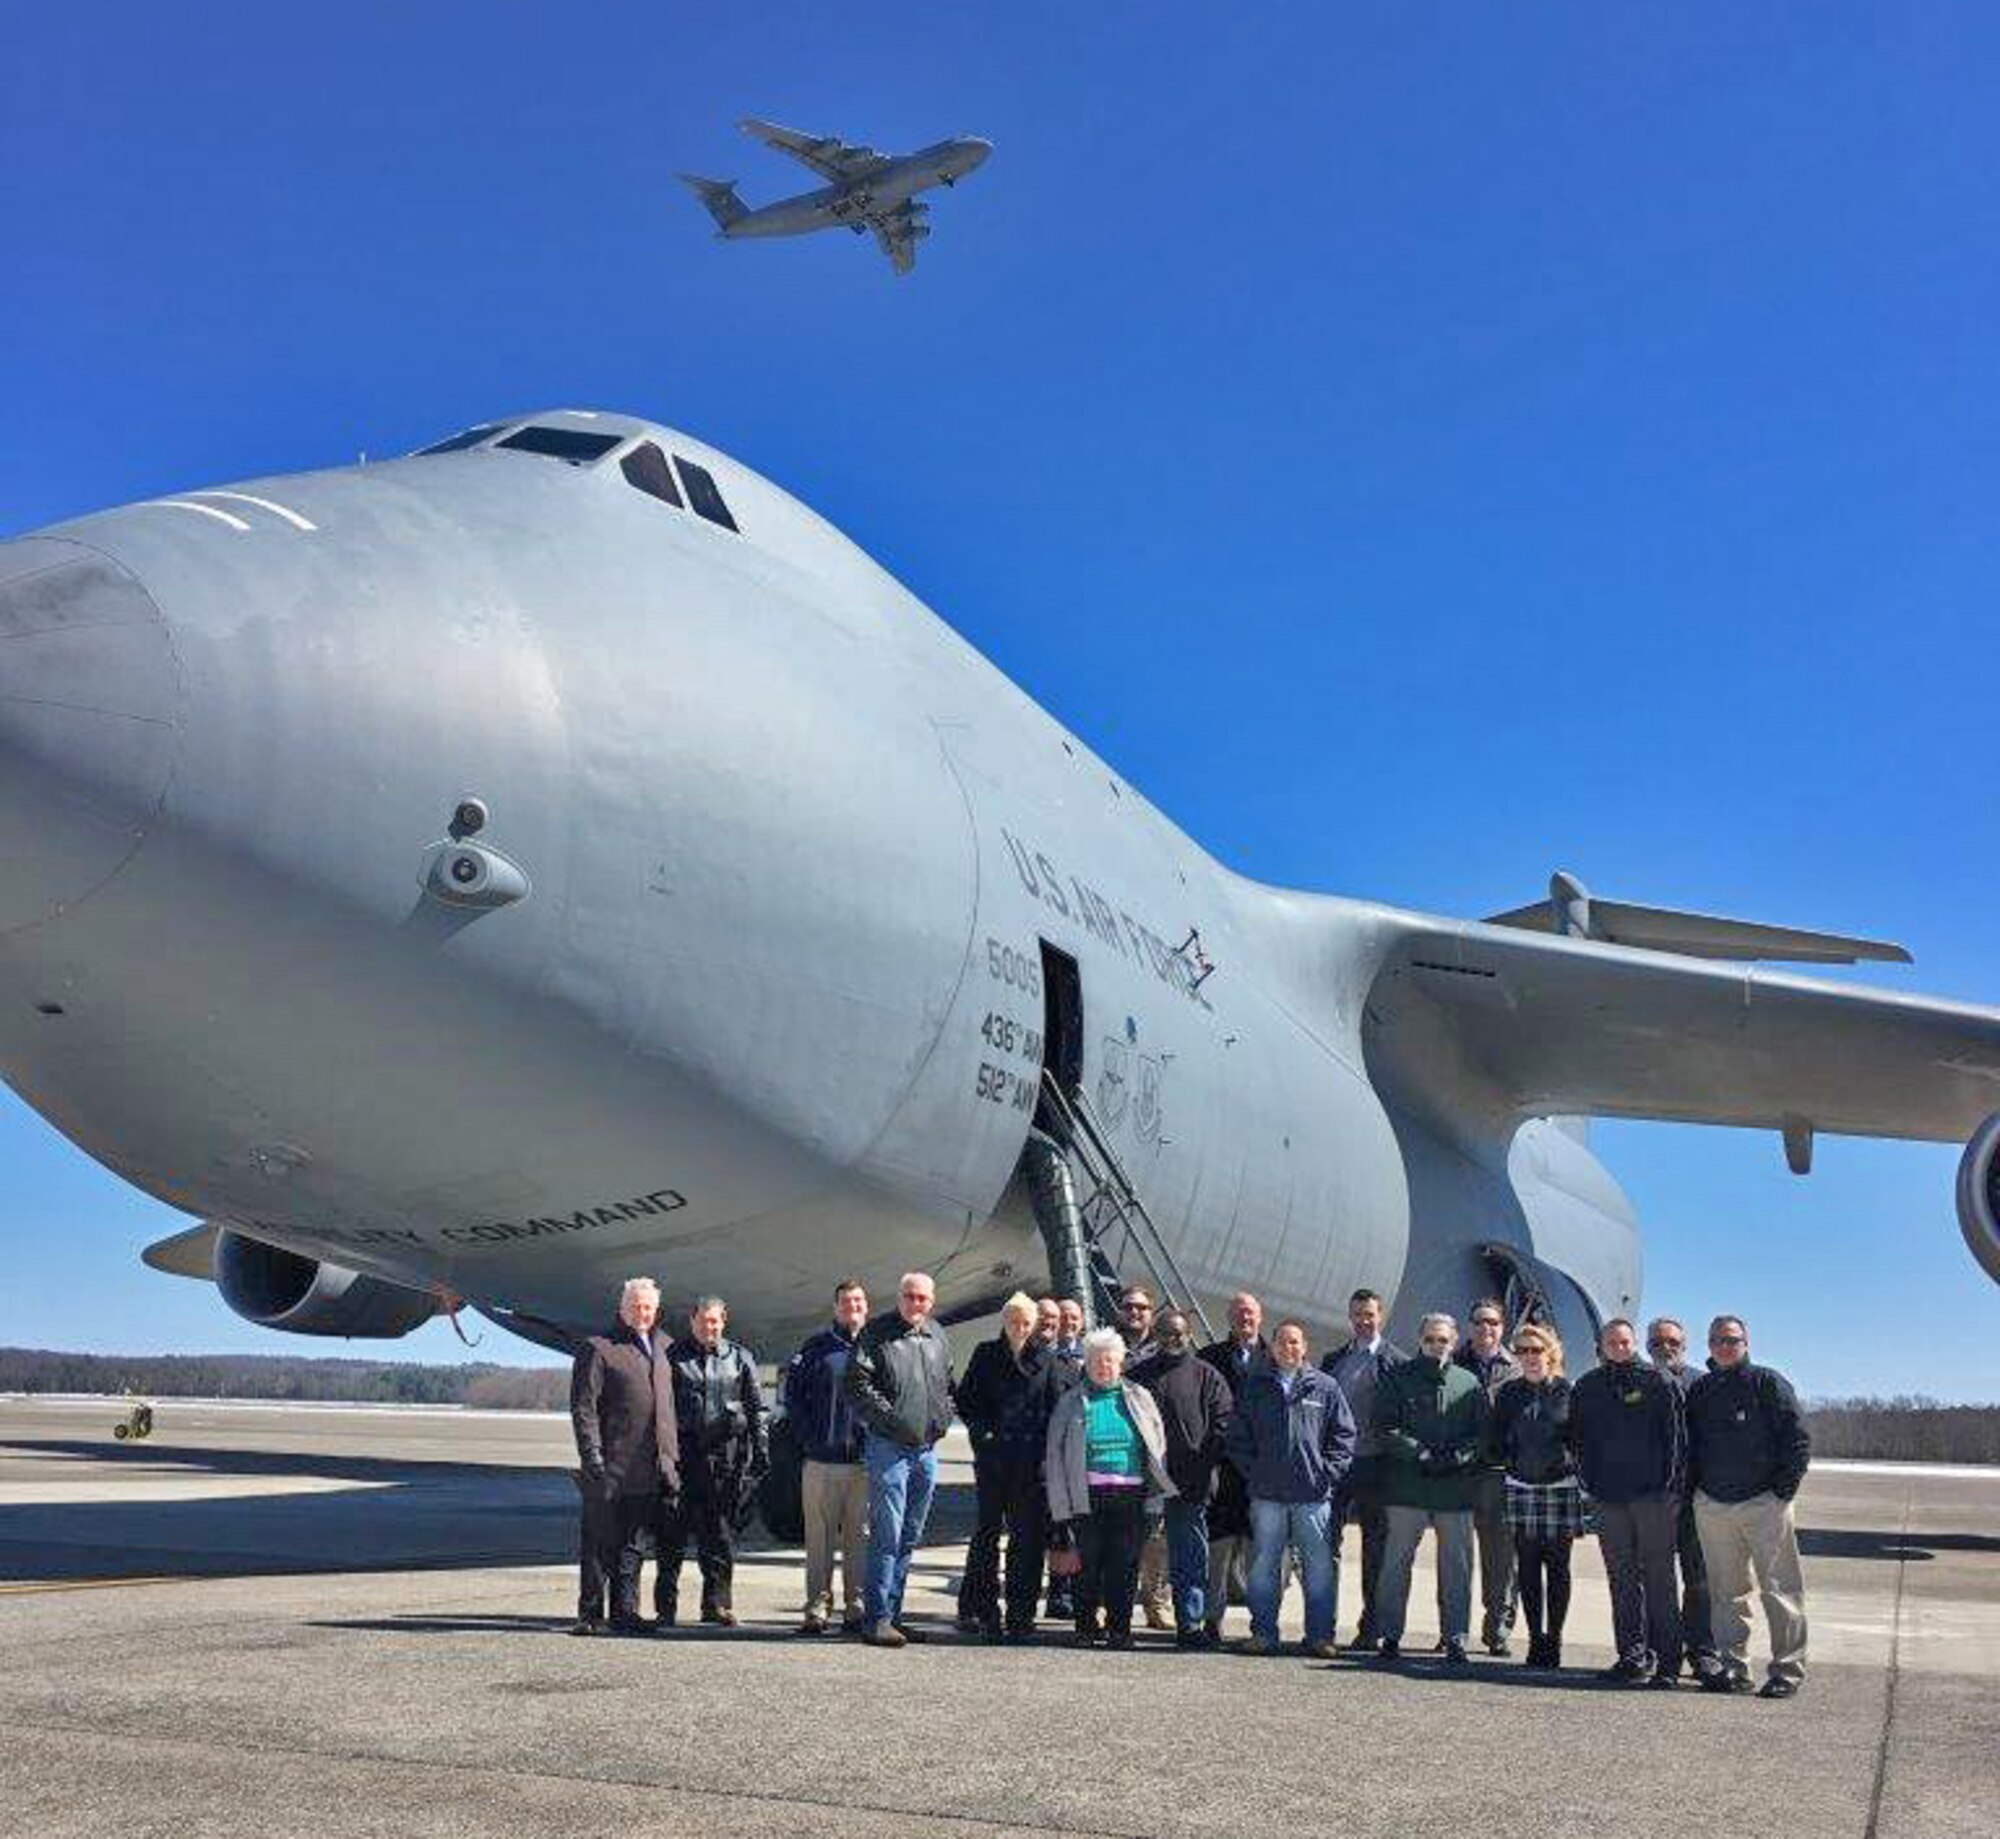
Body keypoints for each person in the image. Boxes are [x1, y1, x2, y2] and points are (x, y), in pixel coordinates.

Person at [1686, 1315, 1812, 1699]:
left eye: (1731, 1339)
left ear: (1746, 1342)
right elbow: (1690, 1445)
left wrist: (1781, 1494)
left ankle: (1787, 1670)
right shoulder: (1702, 1389)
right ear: (1708, 1346)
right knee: (1727, 1593)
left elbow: (1798, 1439)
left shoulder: (1767, 1383)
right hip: (1714, 1506)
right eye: (1717, 1341)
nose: (1724, 1346)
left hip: (1763, 1505)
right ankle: (1734, 1667)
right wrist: (1697, 1494)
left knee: (1780, 1590)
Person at [1225, 1319, 1356, 1657]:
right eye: (1282, 1342)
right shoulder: (1256, 1387)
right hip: (1267, 1495)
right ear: (1272, 1347)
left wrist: (1327, 1474)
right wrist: (1256, 1473)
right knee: (1264, 1565)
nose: (1289, 1348)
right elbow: (1238, 1438)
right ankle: (1264, 1633)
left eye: (1295, 1342)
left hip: (1312, 1496)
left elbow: (1344, 1436)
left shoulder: (1325, 1388)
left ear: (1305, 1347)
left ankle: (1319, 1636)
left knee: (1319, 1567)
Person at [1569, 1317, 1683, 1686]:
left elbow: (1676, 1439)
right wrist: (1588, 1483)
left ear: (1634, 1343)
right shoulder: (1587, 1387)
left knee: (1660, 1579)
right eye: (1611, 1343)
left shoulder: (1657, 1381)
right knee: (1621, 1579)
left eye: (1624, 1342)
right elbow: (1577, 1439)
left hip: (1652, 1498)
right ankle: (1632, 1656)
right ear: (1601, 1346)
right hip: (1608, 1498)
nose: (1619, 1347)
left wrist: (1668, 1487)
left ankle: (1667, 1663)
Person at [1045, 1327, 1175, 1647]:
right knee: (1087, 1566)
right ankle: (1086, 1627)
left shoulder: (1140, 1397)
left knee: (1124, 1566)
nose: (1103, 1366)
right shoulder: (1071, 1401)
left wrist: (1156, 1502)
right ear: (1086, 1364)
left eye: (1109, 1360)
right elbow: (1055, 1455)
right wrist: (1060, 1507)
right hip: (1086, 1495)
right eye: (1096, 1360)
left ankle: (1120, 1629)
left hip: (1130, 1495)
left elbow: (1158, 1448)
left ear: (1120, 1363)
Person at [844, 1270, 954, 1648]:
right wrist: (891, 1421)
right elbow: (857, 1384)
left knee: (910, 1534)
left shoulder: (937, 1334)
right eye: (909, 1296)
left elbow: (946, 1382)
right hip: (890, 1447)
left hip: (926, 1449)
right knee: (887, 1534)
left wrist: (943, 1418)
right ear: (899, 1297)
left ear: (931, 1301)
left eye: (922, 1298)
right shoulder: (876, 1333)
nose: (915, 1303)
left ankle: (894, 1612)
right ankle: (876, 1617)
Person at [1373, 1312, 1488, 1664]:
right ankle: (1389, 1634)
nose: (1436, 1345)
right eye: (1430, 1339)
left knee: (1457, 1566)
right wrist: (1419, 1452)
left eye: (1443, 1340)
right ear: (1419, 1340)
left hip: (1454, 1491)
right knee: (1396, 1564)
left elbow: (1481, 1434)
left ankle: (1455, 1637)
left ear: (1454, 1343)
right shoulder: (1398, 1378)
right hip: (1408, 1487)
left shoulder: (1469, 1384)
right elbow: (1384, 1426)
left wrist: (1457, 1457)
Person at [568, 1277, 680, 1636]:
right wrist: (592, 1457)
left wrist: (670, 1459)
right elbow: (583, 1408)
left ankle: (625, 1611)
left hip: (648, 1465)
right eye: (635, 1306)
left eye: (647, 1307)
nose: (642, 1313)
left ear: (655, 1310)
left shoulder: (664, 1346)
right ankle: (589, 1614)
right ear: (622, 1308)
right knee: (600, 1542)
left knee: (633, 1546)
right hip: (609, 1464)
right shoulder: (599, 1347)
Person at [955, 1292, 1059, 1640]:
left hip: (1031, 1466)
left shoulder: (1047, 1360)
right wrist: (982, 1435)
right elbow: (967, 1401)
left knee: (1026, 1543)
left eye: (1026, 1322)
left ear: (1034, 1325)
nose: (1020, 1327)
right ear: (1004, 1321)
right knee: (986, 1538)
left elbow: (1055, 1411)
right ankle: (986, 1611)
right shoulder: (986, 1355)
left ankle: (1021, 1613)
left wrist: (1046, 1455)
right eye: (1014, 1321)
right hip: (993, 1460)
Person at [660, 1296, 767, 1627]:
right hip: (683, 1457)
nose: (711, 1327)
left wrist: (761, 1450)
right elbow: (660, 1409)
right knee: (671, 1537)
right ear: (693, 1321)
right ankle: (666, 1607)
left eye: (716, 1321)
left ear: (724, 1321)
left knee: (718, 1538)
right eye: (705, 1320)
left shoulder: (739, 1357)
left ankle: (717, 1604)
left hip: (724, 1461)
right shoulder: (673, 1357)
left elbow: (756, 1408)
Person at [1130, 1308, 1233, 1647]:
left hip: (1191, 1483)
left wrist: (1203, 1465)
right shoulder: (1138, 1376)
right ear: (1155, 1336)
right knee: (1127, 1552)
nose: (1173, 1339)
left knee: (1190, 1557)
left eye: (1178, 1333)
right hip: (1144, 1483)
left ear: (1189, 1334)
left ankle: (1190, 1624)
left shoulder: (1207, 1376)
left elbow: (1223, 1424)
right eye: (1165, 1333)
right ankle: (1115, 1620)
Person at [780, 1278, 870, 1635]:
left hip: (864, 1464)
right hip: (821, 1462)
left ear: (866, 1307)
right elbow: (793, 1398)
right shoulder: (816, 1349)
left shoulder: (877, 1347)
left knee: (858, 1539)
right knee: (819, 1539)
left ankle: (856, 1605)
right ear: (835, 1308)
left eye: (858, 1301)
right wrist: (809, 1440)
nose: (853, 1307)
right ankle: (817, 1605)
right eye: (846, 1302)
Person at [1320, 1287, 1408, 1651]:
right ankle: (1322, 1625)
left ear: (1380, 1316)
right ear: (1350, 1316)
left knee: (1376, 1550)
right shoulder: (1334, 1360)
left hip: (1377, 1467)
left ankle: (1370, 1627)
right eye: (1357, 1314)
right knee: (1326, 1548)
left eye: (1369, 1314)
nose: (1363, 1320)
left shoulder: (1397, 1363)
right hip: (1338, 1466)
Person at [1491, 1322, 1583, 1668]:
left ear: (1551, 1353)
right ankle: (1534, 1639)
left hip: (1559, 1488)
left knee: (1558, 1567)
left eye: (1536, 1350)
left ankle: (1554, 1639)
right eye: (1522, 1350)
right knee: (1527, 1568)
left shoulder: (1568, 1392)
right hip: (1522, 1487)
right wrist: (1510, 1461)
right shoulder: (1509, 1393)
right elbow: (1497, 1437)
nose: (1529, 1357)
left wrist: (1569, 1465)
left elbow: (1580, 1439)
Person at [1647, 1314, 1720, 1680]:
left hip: (1695, 1497)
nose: (1665, 1348)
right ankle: (1664, 1653)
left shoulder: (1702, 1384)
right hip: (1653, 1499)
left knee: (1699, 1579)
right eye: (1658, 1342)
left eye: (1672, 1342)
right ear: (1648, 1346)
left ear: (1684, 1346)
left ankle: (1703, 1651)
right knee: (1658, 1581)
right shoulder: (1642, 1382)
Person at [1198, 1291, 1270, 1641]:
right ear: (1229, 1318)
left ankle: (1262, 1622)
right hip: (1223, 1469)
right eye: (1239, 1313)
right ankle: (1212, 1618)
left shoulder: (1276, 1358)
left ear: (1261, 1318)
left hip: (1261, 1470)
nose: (1245, 1319)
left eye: (1251, 1313)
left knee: (1261, 1551)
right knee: (1218, 1549)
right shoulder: (1209, 1359)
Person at [1454, 1298, 1523, 1654]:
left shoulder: (1515, 1368)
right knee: (1457, 1555)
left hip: (1498, 1475)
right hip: (1459, 1473)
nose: (1486, 1328)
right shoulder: (1452, 1362)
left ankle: (1498, 1626)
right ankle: (1453, 1629)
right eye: (1480, 1321)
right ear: (1470, 1326)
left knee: (1500, 1556)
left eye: (1493, 1322)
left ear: (1503, 1327)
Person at [1118, 1286, 1173, 1630]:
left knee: (1156, 1535)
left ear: (1151, 1312)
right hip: (1117, 1454)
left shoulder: (1165, 1350)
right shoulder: (1106, 1345)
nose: (1135, 1312)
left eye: (1142, 1307)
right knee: (1117, 1533)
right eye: (1128, 1307)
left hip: (1154, 1454)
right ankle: (1114, 1603)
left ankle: (1156, 1603)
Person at [1044, 1296, 1088, 1621]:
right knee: (1058, 1527)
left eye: (1075, 1318)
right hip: (1051, 1450)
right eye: (1064, 1317)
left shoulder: (1089, 1354)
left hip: (1082, 1453)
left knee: (1078, 1527)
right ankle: (1057, 1594)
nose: (1069, 1322)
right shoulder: (1049, 1356)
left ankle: (1077, 1591)